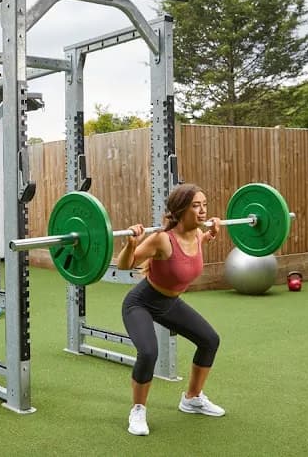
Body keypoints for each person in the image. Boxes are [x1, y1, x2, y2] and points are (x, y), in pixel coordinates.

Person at [116, 183, 225, 436]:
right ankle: (138, 410)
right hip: (140, 303)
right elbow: (125, 265)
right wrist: (132, 244)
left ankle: (192, 398)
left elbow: (190, 254)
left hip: (169, 304)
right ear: (180, 210)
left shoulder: (197, 234)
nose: (202, 211)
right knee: (148, 351)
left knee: (209, 340)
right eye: (196, 205)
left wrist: (211, 235)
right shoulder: (161, 239)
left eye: (204, 205)